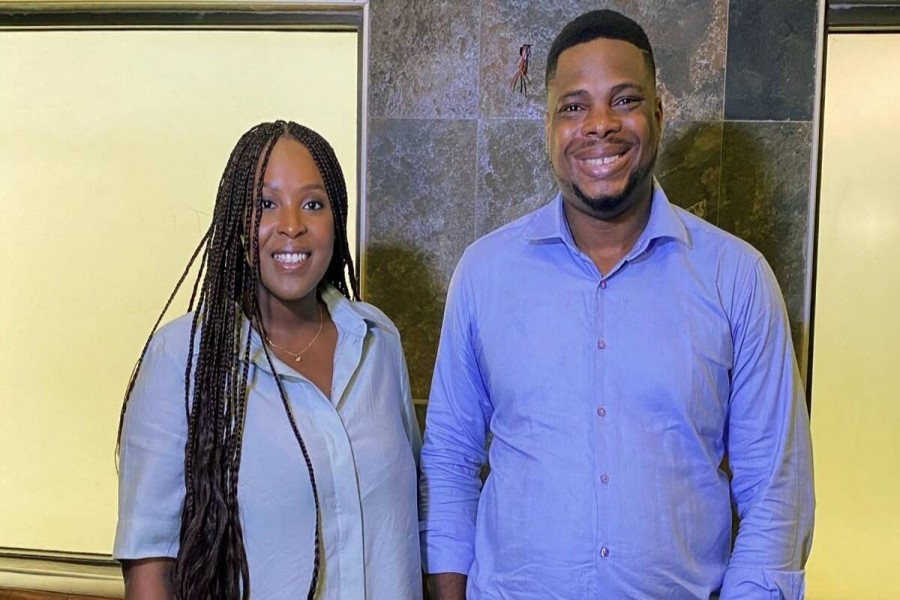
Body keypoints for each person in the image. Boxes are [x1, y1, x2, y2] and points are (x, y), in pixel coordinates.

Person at [419, 10, 814, 600]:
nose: (599, 126)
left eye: (624, 100)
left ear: (657, 115)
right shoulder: (484, 274)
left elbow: (775, 492)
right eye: (574, 106)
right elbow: (449, 461)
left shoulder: (737, 279)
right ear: (548, 126)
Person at [114, 121, 422, 599]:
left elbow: (412, 519)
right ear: (236, 220)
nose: (292, 224)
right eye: (265, 203)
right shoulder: (183, 359)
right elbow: (151, 565)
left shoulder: (377, 341)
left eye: (313, 203)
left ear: (336, 218)